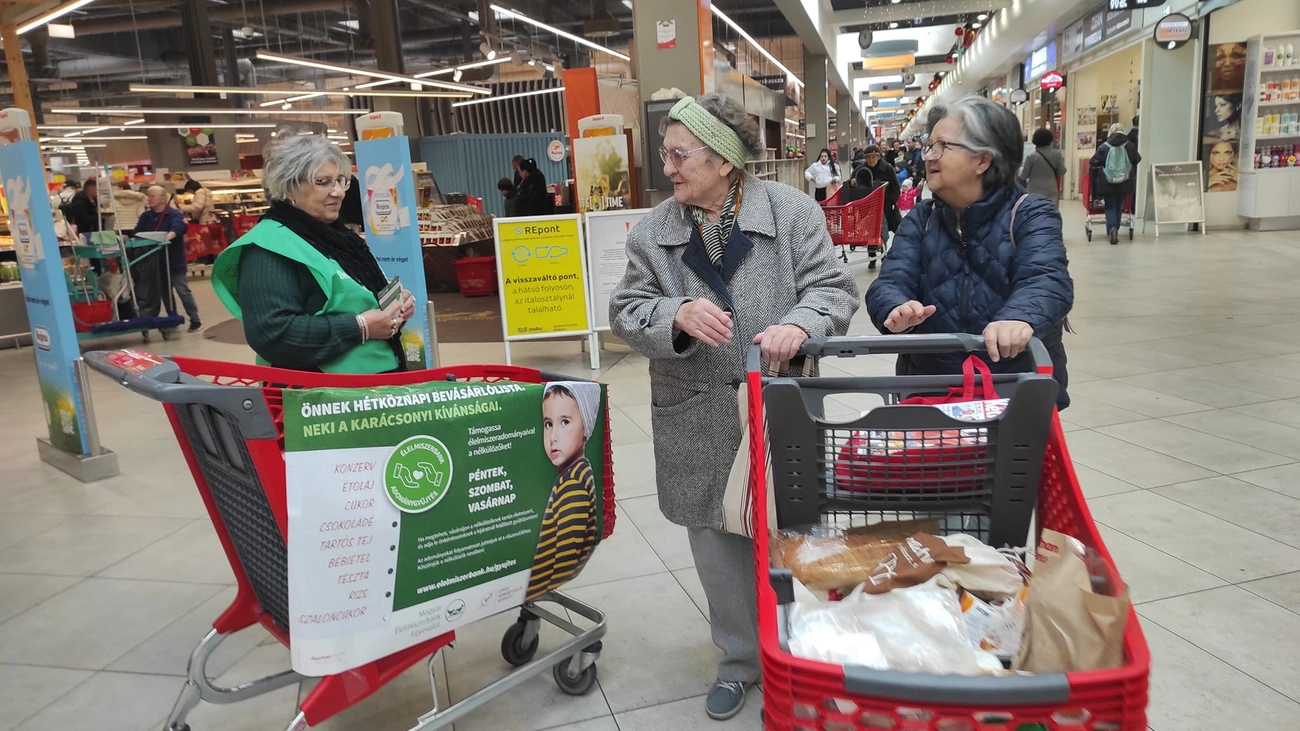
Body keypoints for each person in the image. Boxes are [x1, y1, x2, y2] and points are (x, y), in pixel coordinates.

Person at [609, 93, 858, 721]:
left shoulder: (792, 213)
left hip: (779, 403)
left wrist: (800, 324)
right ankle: (741, 659)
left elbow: (833, 290)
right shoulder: (655, 231)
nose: (667, 166)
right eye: (665, 153)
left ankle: (805, 651)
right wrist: (674, 313)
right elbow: (626, 309)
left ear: (724, 160)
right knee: (715, 541)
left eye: (679, 154)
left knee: (793, 531)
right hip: (694, 409)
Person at [866, 96, 1073, 409]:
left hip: (1013, 389)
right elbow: (891, 281)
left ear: (982, 160)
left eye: (943, 146)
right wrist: (895, 307)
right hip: (932, 391)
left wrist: (1018, 318)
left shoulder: (1029, 213)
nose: (929, 156)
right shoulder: (922, 219)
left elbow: (1046, 279)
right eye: (929, 146)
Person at [211, 135, 415, 373]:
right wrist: (360, 327)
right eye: (323, 182)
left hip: (372, 383)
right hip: (321, 390)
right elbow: (272, 333)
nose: (338, 192)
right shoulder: (267, 248)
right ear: (289, 188)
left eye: (341, 181)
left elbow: (360, 302)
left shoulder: (338, 238)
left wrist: (392, 311)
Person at [526, 382, 601, 601]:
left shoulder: (572, 485)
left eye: (565, 422)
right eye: (548, 424)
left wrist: (534, 586)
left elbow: (566, 557)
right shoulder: (575, 473)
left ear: (586, 427)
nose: (553, 436)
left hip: (539, 585)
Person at [135, 185, 197, 338]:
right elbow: (137, 232)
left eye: (152, 196)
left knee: (182, 290)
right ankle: (172, 317)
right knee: (165, 292)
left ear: (163, 198)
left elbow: (179, 227)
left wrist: (168, 236)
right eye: (148, 196)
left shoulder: (173, 214)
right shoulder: (146, 216)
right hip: (156, 262)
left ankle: (195, 319)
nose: (149, 199)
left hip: (174, 260)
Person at [1090, 122, 1141, 245]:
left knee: (1110, 205)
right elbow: (1137, 159)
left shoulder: (1104, 146)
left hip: (1108, 182)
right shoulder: (1130, 146)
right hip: (1125, 181)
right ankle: (1115, 228)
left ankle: (1112, 228)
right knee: (1119, 205)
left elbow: (1094, 161)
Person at [859, 145, 902, 233]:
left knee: (890, 228)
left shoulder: (888, 169)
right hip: (867, 206)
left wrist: (891, 201)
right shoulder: (861, 170)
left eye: (873, 157)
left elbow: (895, 187)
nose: (871, 160)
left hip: (885, 204)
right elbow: (854, 182)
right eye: (868, 158)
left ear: (878, 157)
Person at [1018, 128, 1066, 205]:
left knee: (1035, 210)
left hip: (1034, 191)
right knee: (1050, 210)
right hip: (1051, 190)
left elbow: (1024, 176)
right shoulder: (1057, 154)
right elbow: (1062, 171)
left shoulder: (1031, 157)